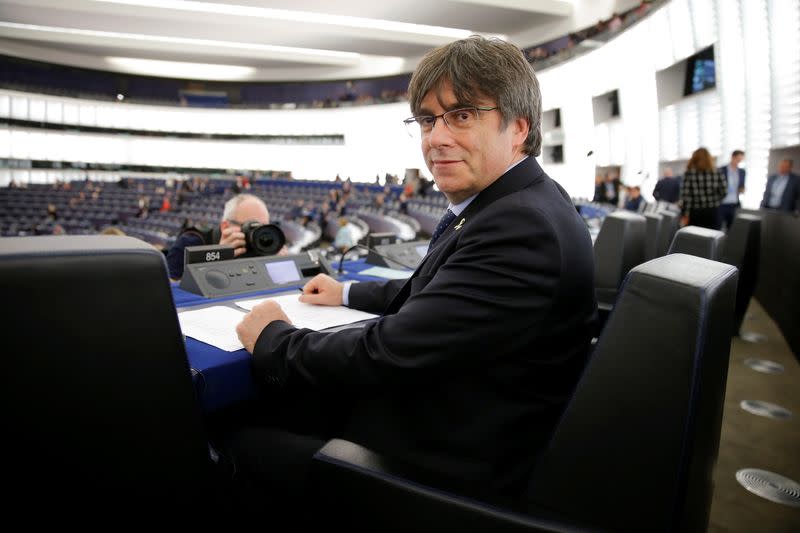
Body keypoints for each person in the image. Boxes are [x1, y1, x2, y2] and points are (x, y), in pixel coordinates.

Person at [225, 35, 597, 514]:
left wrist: (275, 339)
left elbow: (387, 353)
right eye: (426, 119)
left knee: (232, 437)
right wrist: (348, 290)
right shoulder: (525, 203)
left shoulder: (519, 225)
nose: (435, 138)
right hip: (455, 429)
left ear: (518, 127)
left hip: (440, 476)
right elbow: (447, 293)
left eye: (461, 115)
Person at [165, 193, 284, 280]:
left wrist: (280, 264)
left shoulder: (267, 246)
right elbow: (170, 290)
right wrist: (217, 259)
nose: (259, 235)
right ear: (225, 227)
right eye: (251, 227)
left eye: (263, 228)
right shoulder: (191, 243)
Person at [679, 147, 727, 229]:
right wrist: (715, 201)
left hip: (695, 212)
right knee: (712, 237)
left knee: (697, 239)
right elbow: (724, 191)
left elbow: (685, 197)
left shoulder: (689, 173)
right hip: (713, 211)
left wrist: (685, 214)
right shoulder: (717, 172)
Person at [718, 150, 746, 230]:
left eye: (740, 160)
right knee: (718, 226)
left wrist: (742, 189)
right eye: (738, 159)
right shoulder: (721, 170)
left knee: (732, 228)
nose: (739, 162)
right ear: (732, 157)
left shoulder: (742, 172)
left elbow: (742, 185)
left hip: (734, 204)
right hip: (722, 203)